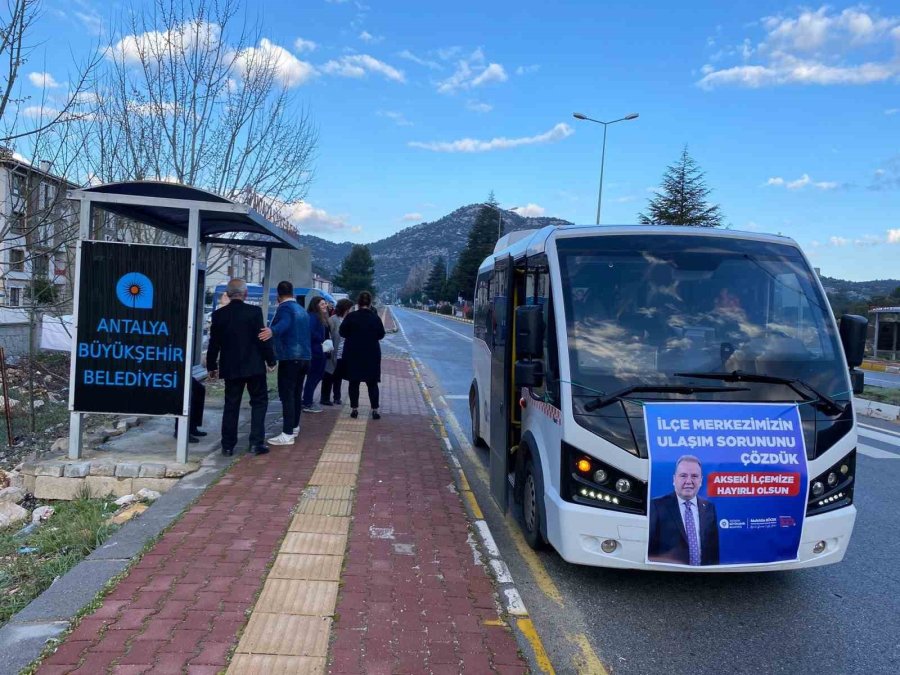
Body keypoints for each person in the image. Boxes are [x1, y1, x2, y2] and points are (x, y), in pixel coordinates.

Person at [206, 278, 275, 456]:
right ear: (245, 293)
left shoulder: (219, 315)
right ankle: (256, 443)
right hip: (254, 366)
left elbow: (214, 343)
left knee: (231, 405)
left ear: (228, 294)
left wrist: (212, 366)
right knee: (259, 402)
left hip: (231, 367)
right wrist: (271, 360)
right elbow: (262, 338)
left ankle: (228, 446)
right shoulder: (254, 312)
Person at [262, 281, 310, 446]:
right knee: (297, 394)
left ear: (278, 296)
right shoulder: (302, 310)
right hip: (305, 357)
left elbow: (284, 324)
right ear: (293, 292)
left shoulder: (285, 309)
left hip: (290, 358)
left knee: (287, 395)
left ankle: (287, 433)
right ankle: (294, 426)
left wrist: (271, 331)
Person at [648, 455, 720, 566]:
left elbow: (713, 551)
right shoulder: (657, 506)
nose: (689, 481)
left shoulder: (709, 507)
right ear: (674, 479)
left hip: (703, 578)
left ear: (701, 480)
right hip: (670, 576)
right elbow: (650, 548)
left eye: (694, 476)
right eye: (683, 476)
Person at [339, 291, 386, 419]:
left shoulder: (351, 316)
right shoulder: (375, 318)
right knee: (372, 383)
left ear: (358, 303)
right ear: (370, 303)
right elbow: (381, 334)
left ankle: (354, 409)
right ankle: (375, 410)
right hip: (371, 354)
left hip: (353, 354)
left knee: (354, 382)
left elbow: (342, 332)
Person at [320, 298, 353, 406]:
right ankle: (324, 398)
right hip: (332, 352)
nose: (351, 310)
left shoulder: (349, 320)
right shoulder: (333, 320)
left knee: (338, 376)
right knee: (328, 376)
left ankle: (337, 397)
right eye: (350, 308)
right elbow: (328, 336)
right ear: (345, 308)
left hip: (343, 354)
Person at [301, 296, 329, 413]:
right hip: (315, 352)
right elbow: (310, 332)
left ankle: (307, 400)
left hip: (318, 350)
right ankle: (307, 402)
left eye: (325, 304)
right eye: (322, 304)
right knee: (314, 376)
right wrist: (321, 339)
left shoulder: (318, 317)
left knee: (316, 376)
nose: (325, 306)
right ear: (316, 305)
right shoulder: (313, 317)